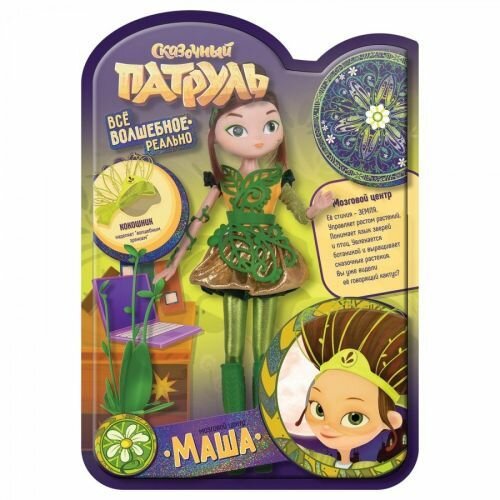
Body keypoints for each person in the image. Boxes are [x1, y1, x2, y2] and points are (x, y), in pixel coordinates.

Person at [154, 91, 332, 413]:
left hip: (269, 259)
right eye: (237, 129)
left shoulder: (278, 178)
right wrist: (173, 263)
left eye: (269, 125)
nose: (257, 138)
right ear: (216, 136)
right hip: (231, 259)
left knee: (264, 347)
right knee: (232, 349)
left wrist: (315, 209)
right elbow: (198, 221)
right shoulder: (223, 180)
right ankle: (235, 421)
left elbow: (301, 214)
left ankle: (264, 419)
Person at [294, 307, 407, 469]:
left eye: (355, 418)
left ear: (390, 420)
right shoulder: (311, 458)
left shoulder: (371, 469)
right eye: (319, 409)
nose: (327, 426)